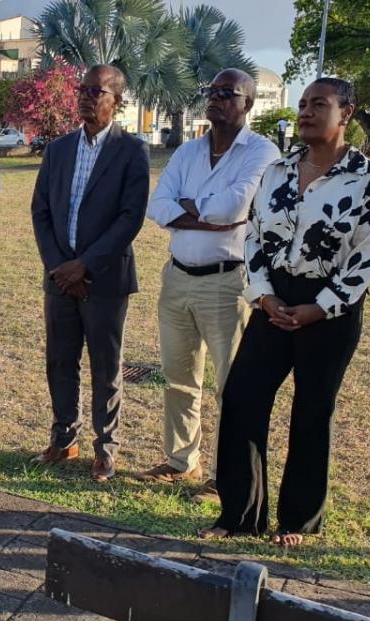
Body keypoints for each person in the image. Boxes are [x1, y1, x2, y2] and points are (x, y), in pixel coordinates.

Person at [199, 78, 370, 546]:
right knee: (244, 397)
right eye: (303, 104)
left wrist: (321, 307)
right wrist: (264, 295)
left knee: (312, 411)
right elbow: (254, 236)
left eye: (318, 104)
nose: (306, 112)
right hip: (273, 301)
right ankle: (239, 515)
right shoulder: (279, 170)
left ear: (347, 112)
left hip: (329, 309)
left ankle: (298, 522)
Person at [136, 69, 281, 504]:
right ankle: (182, 462)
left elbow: (237, 206)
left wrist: (188, 207)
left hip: (228, 281)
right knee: (179, 379)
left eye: (227, 93)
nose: (215, 99)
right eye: (211, 92)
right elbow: (156, 205)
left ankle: (226, 477)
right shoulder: (187, 152)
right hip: (177, 277)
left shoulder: (262, 152)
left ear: (249, 103)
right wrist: (206, 213)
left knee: (231, 385)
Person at [29, 64, 149, 483]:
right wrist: (59, 266)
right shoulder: (58, 149)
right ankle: (64, 438)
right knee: (60, 361)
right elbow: (40, 210)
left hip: (105, 279)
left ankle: (106, 448)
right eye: (82, 89)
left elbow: (130, 218)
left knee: (105, 366)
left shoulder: (132, 151)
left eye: (96, 91)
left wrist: (86, 264)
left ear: (117, 100)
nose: (85, 97)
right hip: (60, 277)